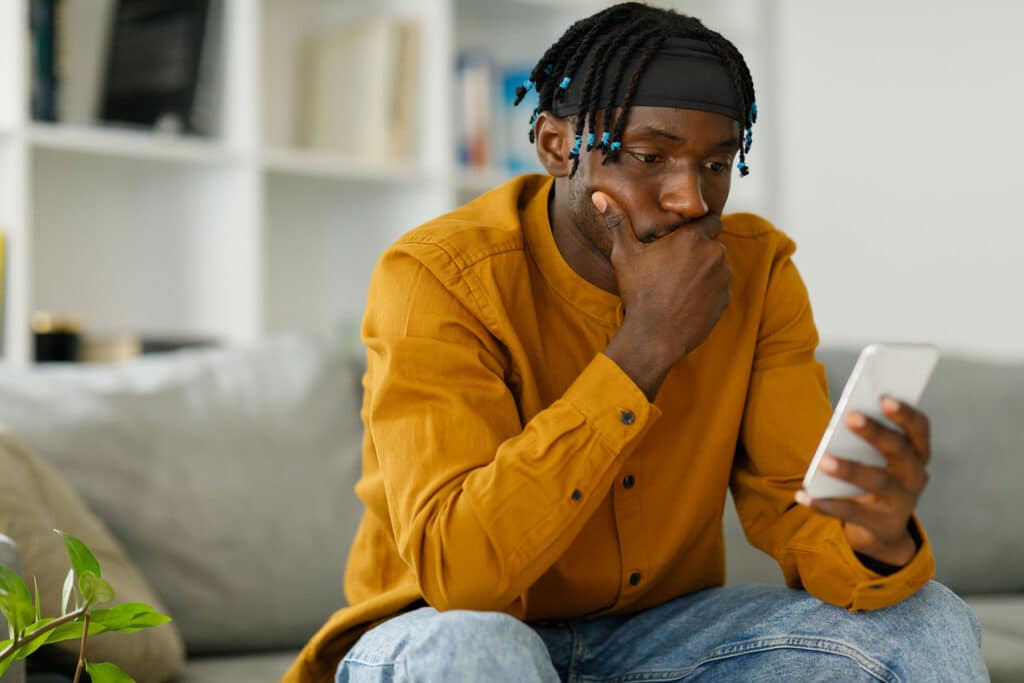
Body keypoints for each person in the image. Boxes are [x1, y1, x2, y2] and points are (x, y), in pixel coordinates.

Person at [285, 3, 986, 681]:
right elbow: (460, 575)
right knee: (477, 648)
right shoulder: (438, 276)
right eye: (650, 156)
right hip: (444, 629)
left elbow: (797, 515)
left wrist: (877, 537)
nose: (689, 197)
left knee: (926, 618)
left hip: (656, 636)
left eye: (717, 165)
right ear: (557, 146)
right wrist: (643, 348)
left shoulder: (758, 272)